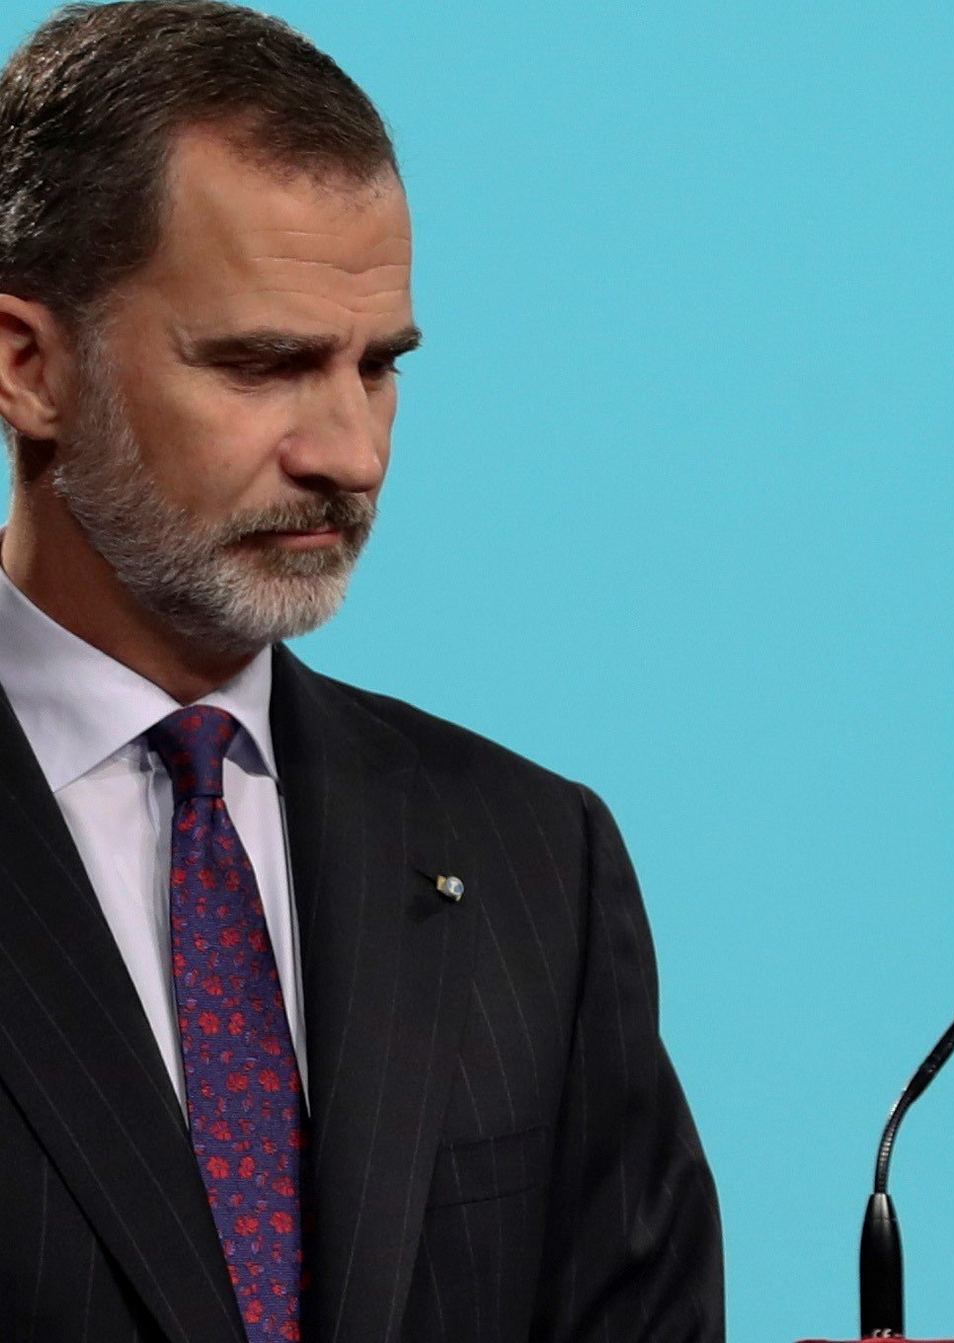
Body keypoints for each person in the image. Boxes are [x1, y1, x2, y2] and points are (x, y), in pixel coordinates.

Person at [0, 4, 722, 1340]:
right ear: (27, 364)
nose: (350, 451)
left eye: (377, 368)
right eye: (268, 365)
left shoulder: (534, 862)